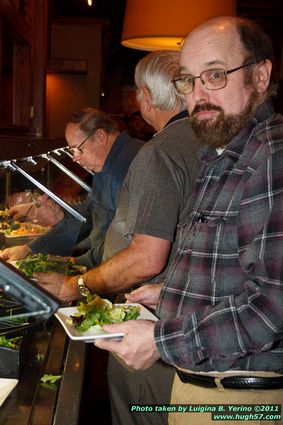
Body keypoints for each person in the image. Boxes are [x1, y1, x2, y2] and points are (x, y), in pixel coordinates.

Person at [85, 16, 283, 425]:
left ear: (260, 75)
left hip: (239, 404)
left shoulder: (272, 156)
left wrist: (160, 338)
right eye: (188, 81)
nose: (198, 96)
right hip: (207, 390)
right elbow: (235, 270)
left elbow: (273, 308)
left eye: (214, 75)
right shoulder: (223, 153)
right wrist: (174, 292)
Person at [34, 50, 202, 425]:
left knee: (143, 412)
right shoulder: (200, 140)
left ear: (145, 95)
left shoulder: (160, 151)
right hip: (184, 320)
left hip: (153, 320)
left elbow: (144, 257)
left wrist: (76, 283)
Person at [0, 108, 144, 268]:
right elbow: (88, 213)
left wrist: (67, 264)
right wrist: (31, 249)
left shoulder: (125, 169)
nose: (75, 158)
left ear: (100, 137)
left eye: (78, 149)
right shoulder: (109, 161)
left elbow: (123, 247)